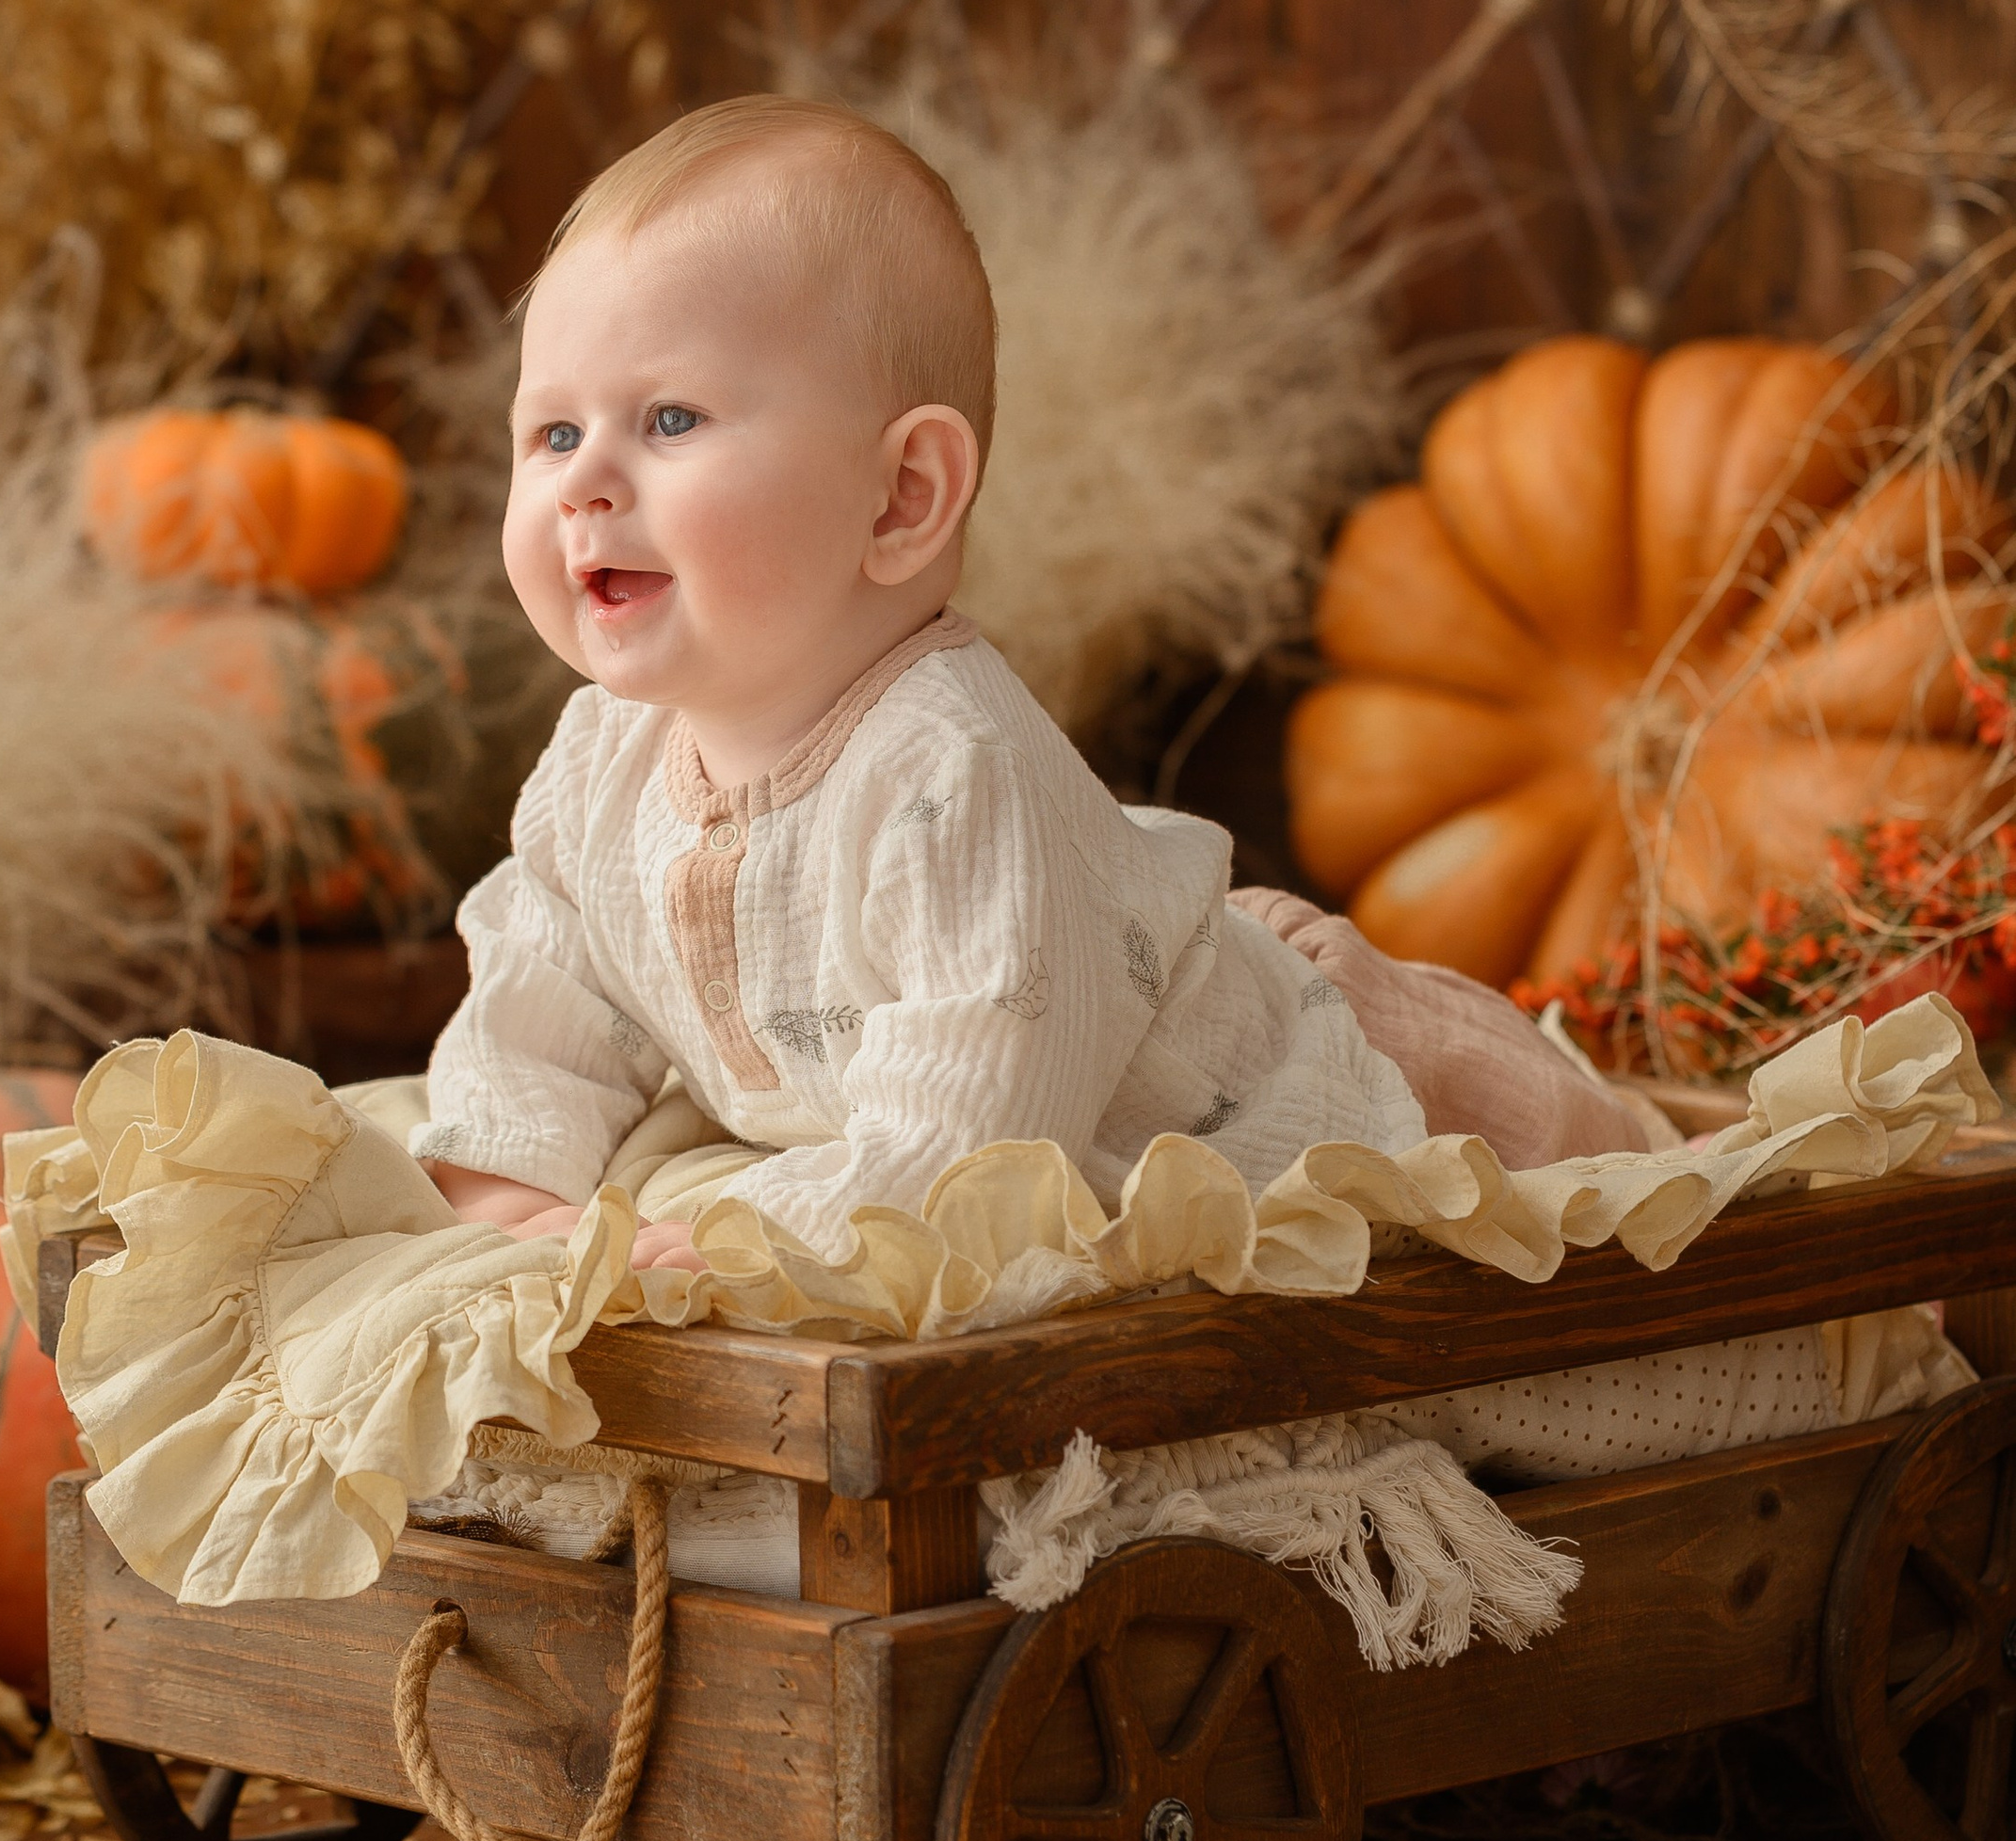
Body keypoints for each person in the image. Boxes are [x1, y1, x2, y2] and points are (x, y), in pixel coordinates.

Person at [410, 94, 1670, 1278]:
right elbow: (544, 996)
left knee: (1621, 1231)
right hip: (922, 1146)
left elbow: (969, 1161)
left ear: (902, 497)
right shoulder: (603, 760)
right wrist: (516, 1198)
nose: (583, 483)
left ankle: (1757, 1234)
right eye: (554, 433)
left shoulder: (948, 771)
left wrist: (734, 1236)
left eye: (670, 420)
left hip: (1299, 1099)